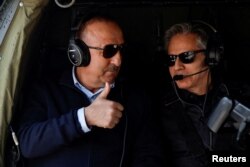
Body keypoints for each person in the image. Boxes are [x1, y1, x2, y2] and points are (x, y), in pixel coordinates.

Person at [16, 14, 163, 167]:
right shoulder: (45, 90)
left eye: (120, 49)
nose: (118, 60)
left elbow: (149, 155)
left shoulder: (135, 97)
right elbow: (27, 144)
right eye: (109, 50)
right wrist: (84, 118)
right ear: (79, 53)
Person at [158, 21, 250, 167]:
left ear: (211, 57)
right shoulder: (158, 109)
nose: (177, 67)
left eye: (186, 56)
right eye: (171, 59)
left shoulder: (239, 98)